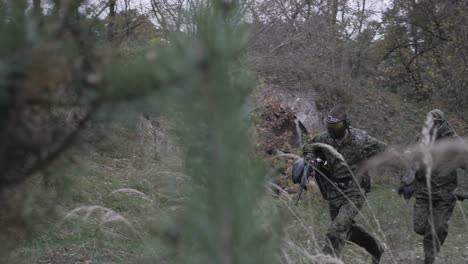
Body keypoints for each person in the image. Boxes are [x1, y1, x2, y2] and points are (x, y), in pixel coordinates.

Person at [302, 105, 387, 264]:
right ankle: (375, 247)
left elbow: (386, 150)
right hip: (334, 190)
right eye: (330, 126)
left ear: (346, 124)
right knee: (345, 229)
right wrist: (311, 160)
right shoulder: (324, 139)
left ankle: (325, 260)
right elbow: (308, 146)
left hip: (356, 190)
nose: (333, 130)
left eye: (337, 126)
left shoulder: (361, 139)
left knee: (336, 230)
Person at [399, 109, 468, 264]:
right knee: (419, 227)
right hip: (423, 191)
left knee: (438, 228)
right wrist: (407, 183)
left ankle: (429, 257)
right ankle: (434, 235)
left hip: (446, 194)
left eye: (437, 124)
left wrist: (463, 190)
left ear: (443, 124)